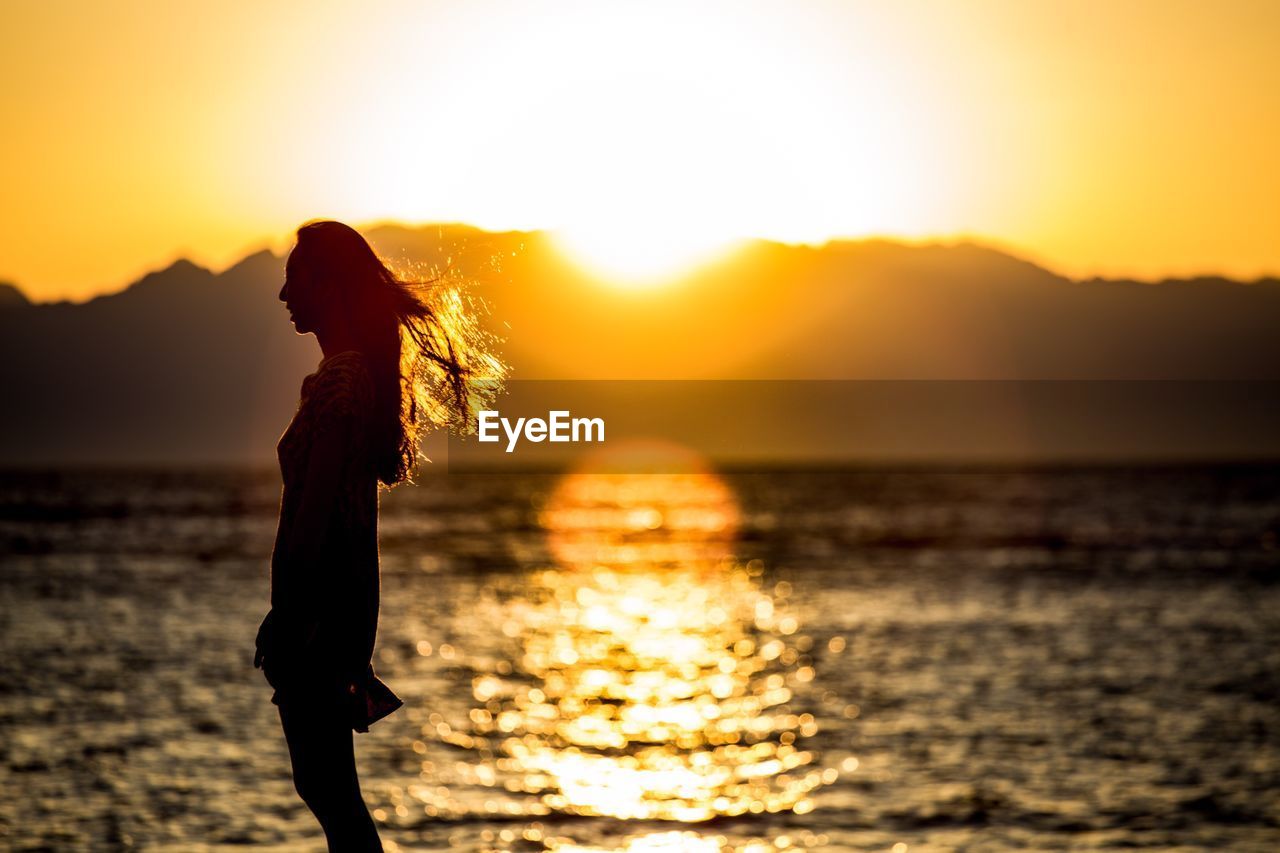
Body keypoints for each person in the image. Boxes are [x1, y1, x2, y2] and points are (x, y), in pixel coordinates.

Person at [253, 220, 502, 851]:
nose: (284, 295)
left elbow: (316, 514)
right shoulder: (343, 378)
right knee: (326, 787)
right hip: (329, 614)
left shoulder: (343, 381)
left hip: (321, 617)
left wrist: (289, 617)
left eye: (294, 279)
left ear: (329, 285)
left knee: (329, 789)